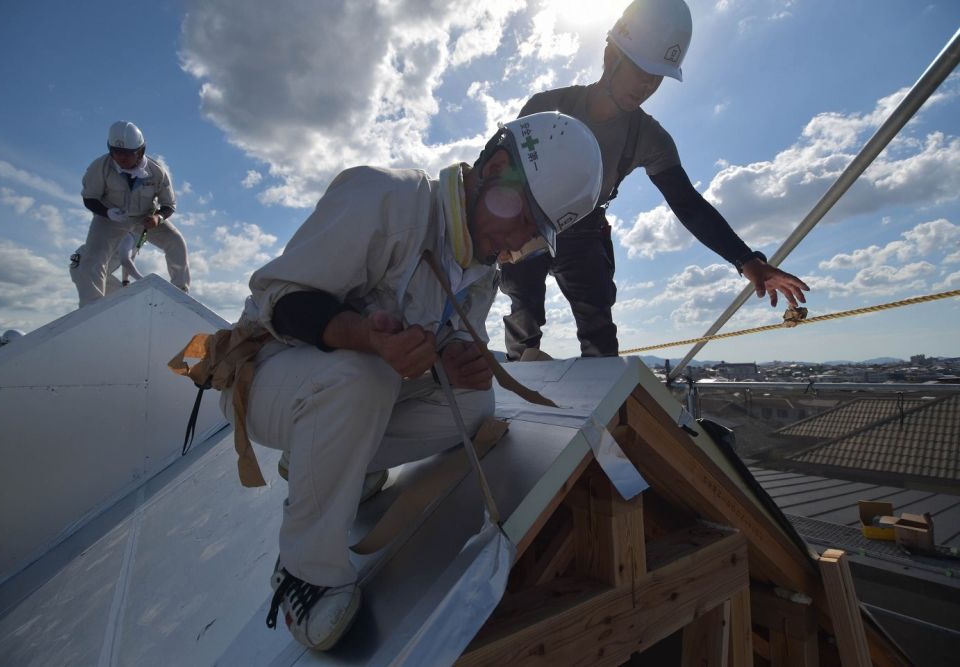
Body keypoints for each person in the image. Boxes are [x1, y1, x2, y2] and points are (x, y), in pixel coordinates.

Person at [221, 111, 602, 651]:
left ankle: (330, 461)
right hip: (264, 375)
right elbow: (279, 304)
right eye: (523, 221)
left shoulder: (480, 272)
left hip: (335, 389)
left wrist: (450, 361)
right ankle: (304, 572)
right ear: (495, 170)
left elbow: (428, 341)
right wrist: (369, 339)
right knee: (361, 375)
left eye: (534, 237)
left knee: (474, 405)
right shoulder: (385, 199)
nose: (518, 245)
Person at [500, 0, 809, 360]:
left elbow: (687, 203)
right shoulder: (545, 107)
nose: (647, 84)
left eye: (657, 76)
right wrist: (500, 237)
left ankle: (604, 401)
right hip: (529, 222)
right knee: (524, 311)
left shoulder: (649, 138)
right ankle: (519, 377)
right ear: (609, 56)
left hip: (584, 230)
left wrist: (746, 260)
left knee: (599, 331)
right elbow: (503, 176)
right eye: (640, 69)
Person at [75, 121, 190, 307]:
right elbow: (89, 198)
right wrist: (107, 212)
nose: (121, 158)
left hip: (145, 219)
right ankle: (91, 307)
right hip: (109, 219)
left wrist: (157, 217)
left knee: (176, 242)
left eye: (127, 154)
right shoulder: (100, 167)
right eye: (116, 152)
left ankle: (180, 295)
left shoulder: (157, 172)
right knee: (92, 258)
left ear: (141, 151)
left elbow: (169, 204)